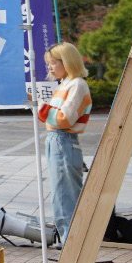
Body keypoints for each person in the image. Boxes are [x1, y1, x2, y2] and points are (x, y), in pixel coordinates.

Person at [39, 42, 93, 243]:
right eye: (49, 63)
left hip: (63, 139)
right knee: (62, 195)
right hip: (59, 140)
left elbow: (64, 119)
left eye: (53, 62)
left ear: (67, 62)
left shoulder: (77, 84)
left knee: (64, 197)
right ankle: (70, 244)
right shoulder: (66, 84)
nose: (50, 67)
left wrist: (41, 107)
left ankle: (71, 247)